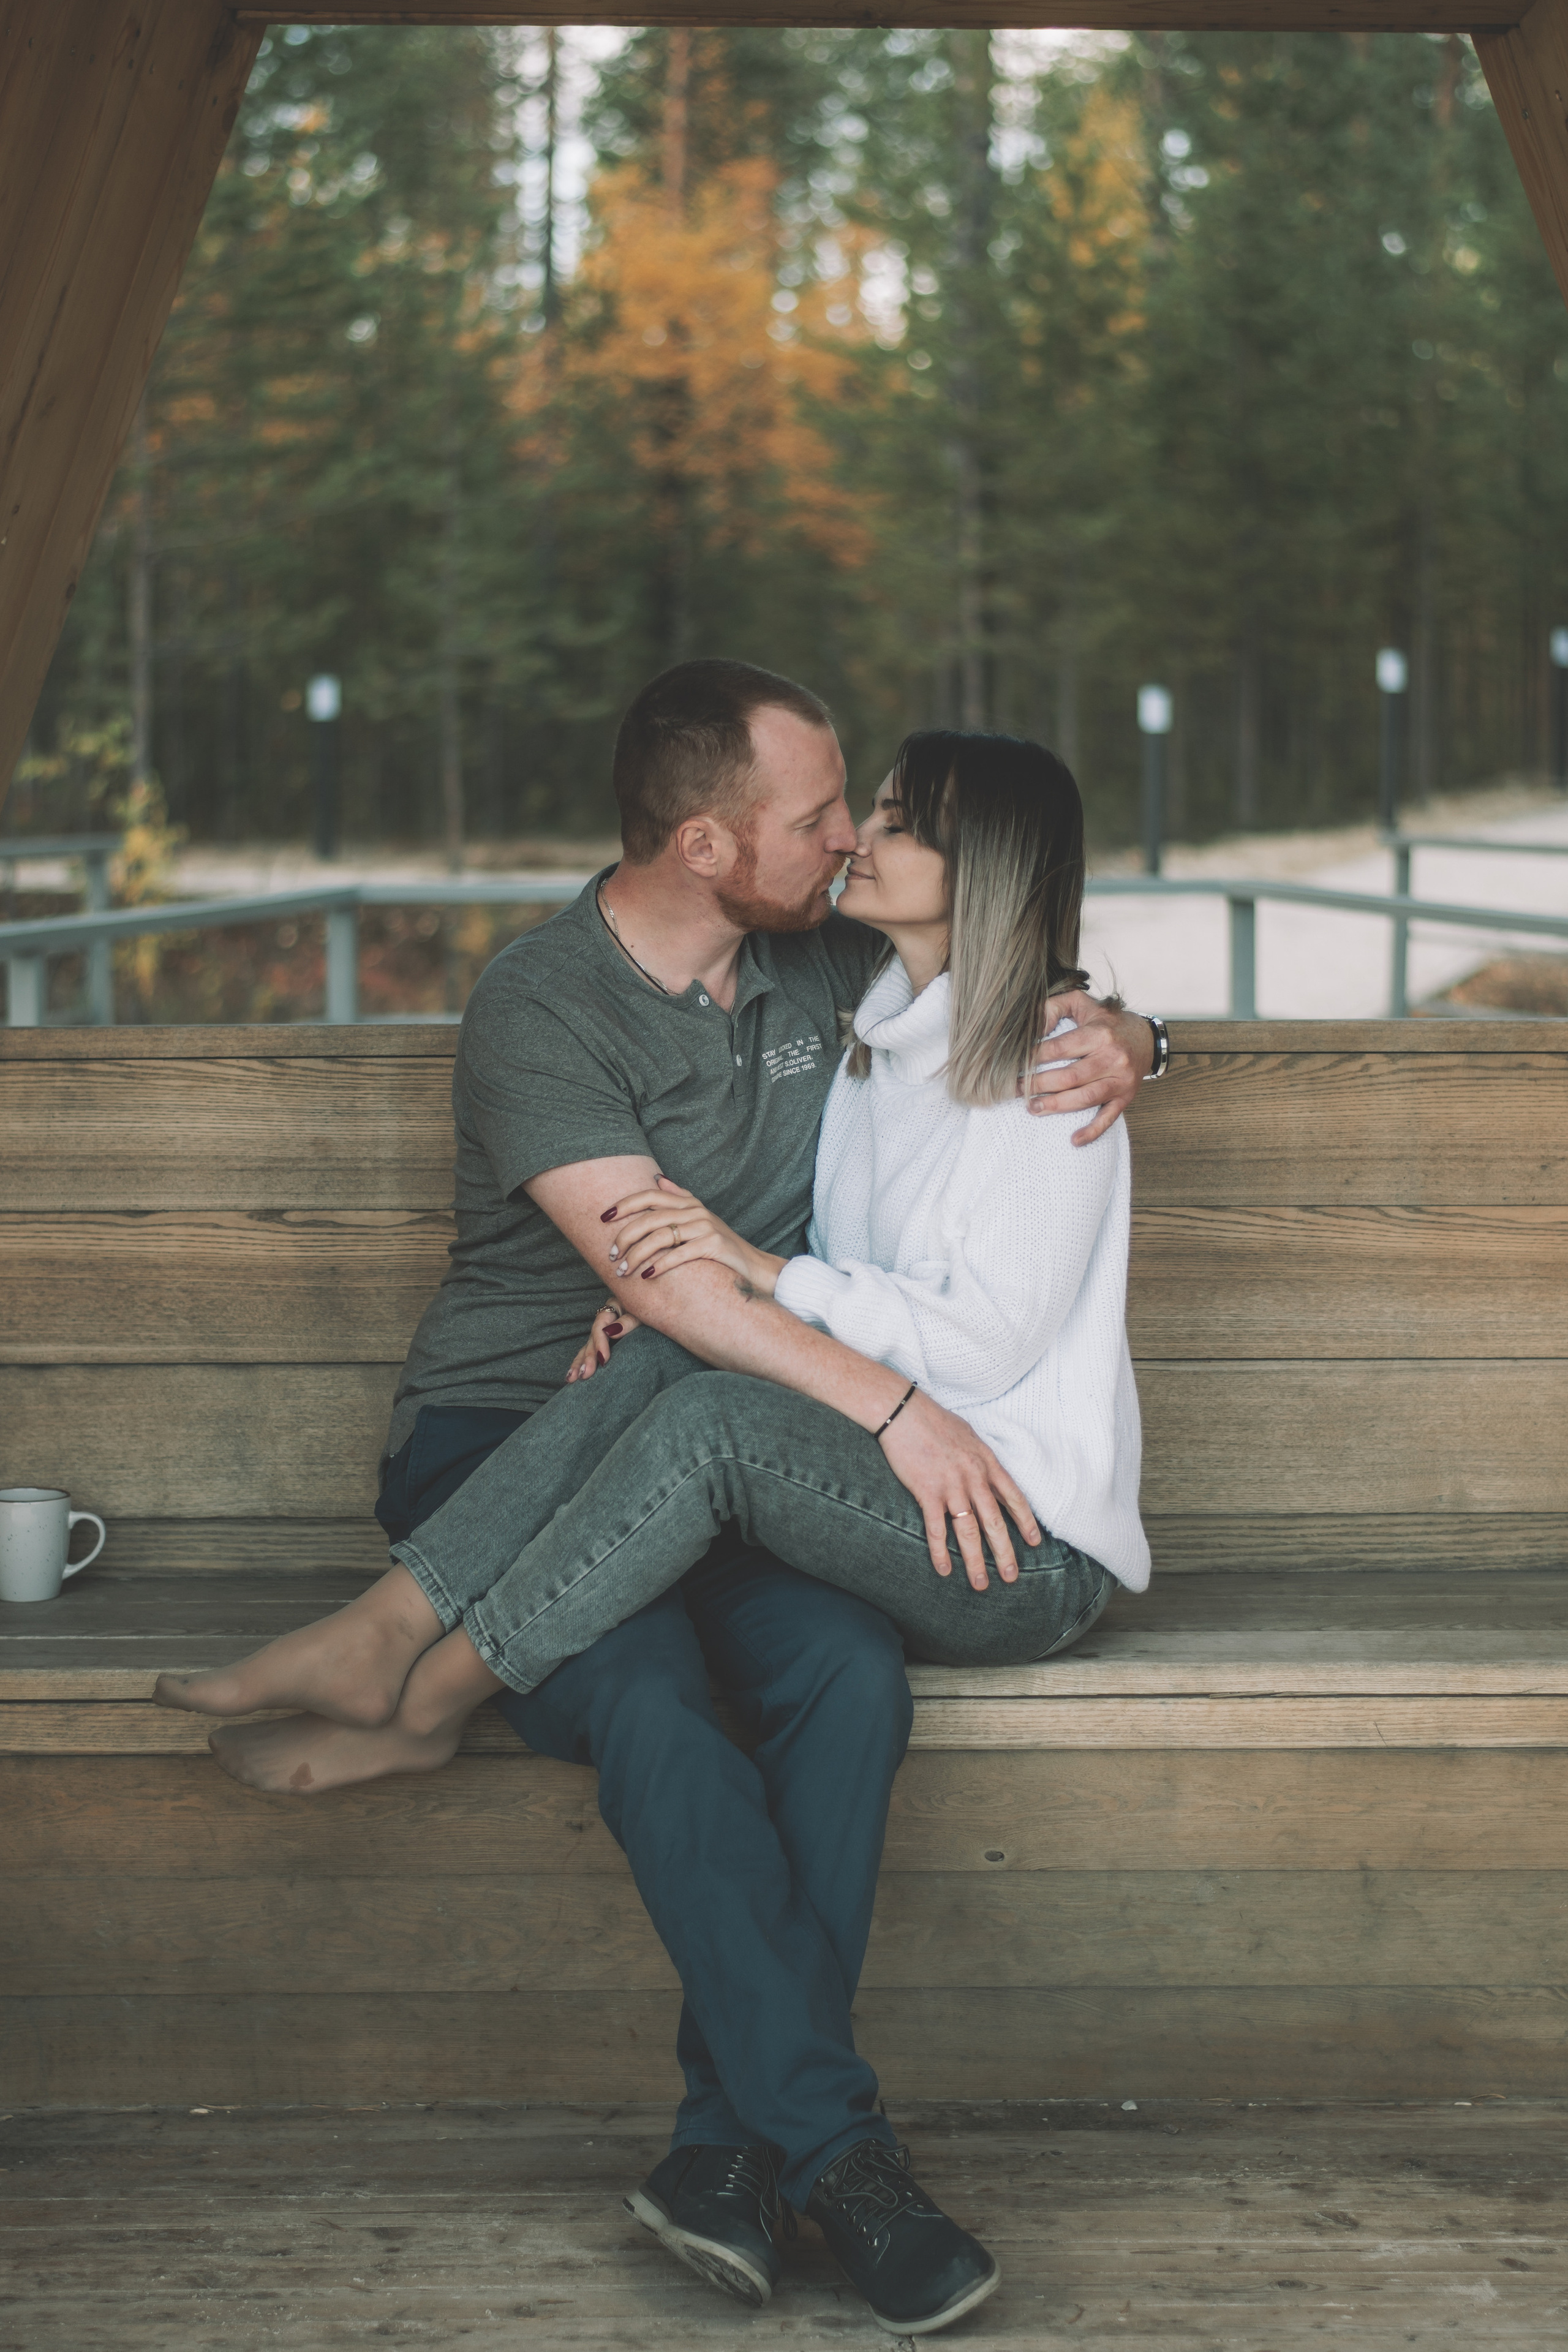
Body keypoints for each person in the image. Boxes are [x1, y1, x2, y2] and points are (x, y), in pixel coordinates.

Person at [156, 664, 1161, 2337]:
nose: (847, 844)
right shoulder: (545, 1003)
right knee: (668, 1721)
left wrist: (1133, 1035)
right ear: (707, 843)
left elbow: (1011, 990)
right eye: (821, 818)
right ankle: (839, 2161)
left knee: (846, 1682)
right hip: (512, 1443)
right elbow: (690, 1291)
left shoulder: (831, 969)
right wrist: (890, 1402)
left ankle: (718, 2150)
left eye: (870, 815)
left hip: (762, 1437)